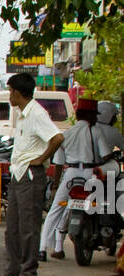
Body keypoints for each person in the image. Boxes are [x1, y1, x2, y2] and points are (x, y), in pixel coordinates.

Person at [0, 72, 64, 276]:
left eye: (10, 91)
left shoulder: (37, 114)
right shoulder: (23, 114)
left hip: (31, 175)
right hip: (18, 173)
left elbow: (57, 137)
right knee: (12, 226)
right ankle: (13, 268)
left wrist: (41, 158)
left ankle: (28, 271)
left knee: (28, 226)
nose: (9, 96)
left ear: (17, 92)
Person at [38, 100, 115, 261]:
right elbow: (106, 155)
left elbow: (59, 164)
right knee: (101, 204)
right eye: (94, 115)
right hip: (90, 174)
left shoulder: (66, 134)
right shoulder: (95, 131)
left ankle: (42, 248)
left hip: (70, 175)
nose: (95, 118)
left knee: (56, 209)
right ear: (89, 115)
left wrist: (55, 186)